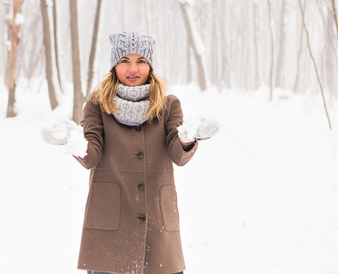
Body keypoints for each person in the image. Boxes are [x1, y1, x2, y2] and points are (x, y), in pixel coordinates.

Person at [42, 31, 219, 274]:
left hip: (157, 224)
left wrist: (188, 136)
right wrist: (72, 140)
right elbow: (91, 154)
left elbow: (178, 154)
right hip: (110, 224)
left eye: (141, 61)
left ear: (150, 66)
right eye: (125, 60)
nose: (132, 69)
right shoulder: (97, 104)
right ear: (114, 65)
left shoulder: (168, 106)